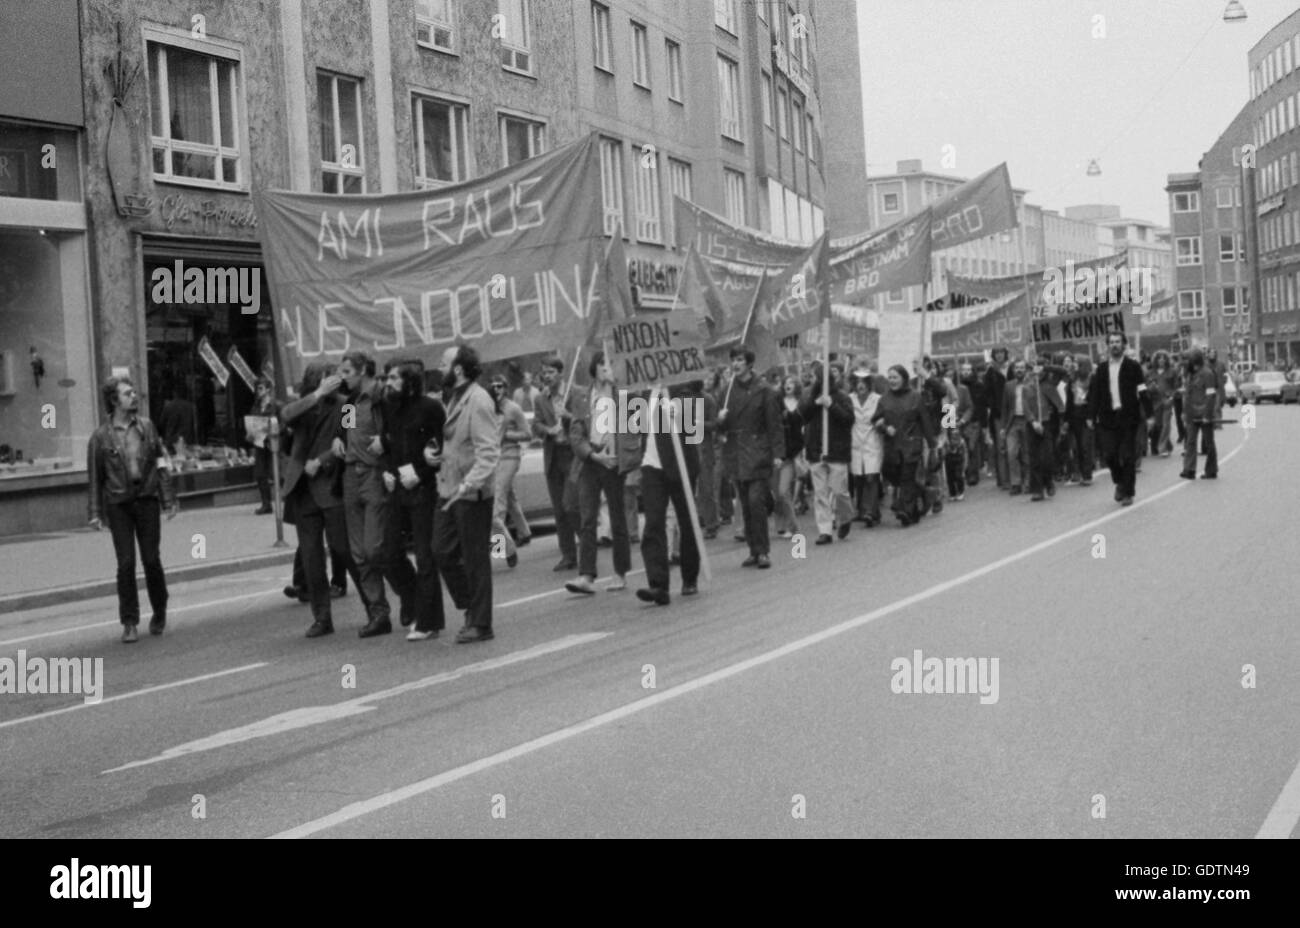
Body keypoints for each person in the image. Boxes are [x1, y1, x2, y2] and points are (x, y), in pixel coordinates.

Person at [280, 362, 368, 637]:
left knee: (343, 548)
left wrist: (321, 461)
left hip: (330, 485)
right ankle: (322, 617)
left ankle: (374, 605)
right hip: (303, 490)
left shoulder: (346, 405)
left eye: (332, 378)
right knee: (311, 557)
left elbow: (350, 440)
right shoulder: (303, 403)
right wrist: (316, 394)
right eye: (324, 378)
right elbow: (285, 415)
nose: (330, 382)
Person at [88, 376, 178, 643]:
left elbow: (161, 462)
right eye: (128, 394)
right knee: (125, 563)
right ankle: (129, 621)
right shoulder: (100, 437)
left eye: (135, 392)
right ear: (115, 400)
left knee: (151, 560)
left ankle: (159, 610)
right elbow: (95, 478)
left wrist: (168, 498)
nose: (135, 396)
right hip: (119, 504)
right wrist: (95, 512)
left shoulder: (147, 427)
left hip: (147, 499)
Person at [334, 352, 410, 638]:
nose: (343, 376)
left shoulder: (381, 397)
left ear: (363, 370)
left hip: (375, 474)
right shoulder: (350, 401)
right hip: (350, 476)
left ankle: (408, 593)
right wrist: (337, 441)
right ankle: (379, 613)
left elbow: (402, 429)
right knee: (358, 554)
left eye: (347, 371)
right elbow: (343, 431)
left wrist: (386, 441)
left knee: (374, 548)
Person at [430, 345, 501, 643]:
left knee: (475, 559)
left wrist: (470, 484)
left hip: (471, 493)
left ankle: (481, 623)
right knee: (441, 550)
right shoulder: (452, 397)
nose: (438, 367)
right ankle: (470, 605)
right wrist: (432, 454)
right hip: (447, 487)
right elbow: (453, 442)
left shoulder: (479, 399)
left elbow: (488, 452)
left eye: (443, 363)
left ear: (458, 369)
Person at [378, 359, 448, 641]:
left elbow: (441, 447)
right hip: (395, 487)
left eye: (394, 378)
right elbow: (386, 442)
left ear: (409, 381)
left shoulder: (430, 407)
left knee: (424, 555)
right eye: (387, 377)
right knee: (386, 553)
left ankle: (428, 620)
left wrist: (421, 473)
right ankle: (412, 599)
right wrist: (386, 470)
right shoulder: (387, 407)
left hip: (423, 488)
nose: (389, 383)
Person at [566, 351, 638, 594]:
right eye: (604, 364)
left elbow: (634, 423)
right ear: (594, 368)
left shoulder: (623, 395)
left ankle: (620, 572)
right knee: (586, 517)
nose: (608, 368)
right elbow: (575, 433)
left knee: (617, 517)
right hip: (591, 460)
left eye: (611, 364)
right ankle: (586, 574)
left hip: (614, 461)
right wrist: (591, 454)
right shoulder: (584, 397)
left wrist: (617, 385)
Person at [634, 382, 702, 606]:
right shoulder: (642, 391)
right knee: (653, 522)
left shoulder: (682, 383)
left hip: (679, 463)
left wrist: (681, 410)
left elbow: (695, 419)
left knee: (687, 520)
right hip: (652, 465)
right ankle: (658, 585)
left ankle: (689, 577)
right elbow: (634, 425)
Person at [718, 346, 785, 568]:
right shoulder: (727, 391)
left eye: (739, 360)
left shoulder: (765, 390)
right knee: (745, 504)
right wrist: (721, 420)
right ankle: (753, 550)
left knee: (756, 502)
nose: (735, 364)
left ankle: (764, 550)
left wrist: (778, 453)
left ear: (749, 363)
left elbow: (774, 425)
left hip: (758, 452)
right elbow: (720, 426)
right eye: (733, 360)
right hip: (736, 453)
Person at [1087, 332, 1152, 507]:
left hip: (1128, 417)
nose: (1115, 345)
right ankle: (1120, 481)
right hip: (1107, 418)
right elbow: (1094, 394)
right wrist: (1090, 416)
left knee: (1128, 456)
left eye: (1118, 342)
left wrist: (1150, 414)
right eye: (1112, 342)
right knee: (1109, 455)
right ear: (1107, 346)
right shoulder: (1101, 369)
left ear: (1123, 345)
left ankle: (1128, 492)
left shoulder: (1133, 366)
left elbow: (1142, 389)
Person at [872, 365, 937, 527]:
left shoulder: (915, 397)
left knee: (907, 477)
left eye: (895, 377)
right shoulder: (884, 399)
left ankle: (906, 512)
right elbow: (875, 420)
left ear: (904, 378)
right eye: (890, 377)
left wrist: (932, 445)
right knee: (891, 473)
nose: (892, 380)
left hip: (911, 443)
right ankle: (923, 493)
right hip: (892, 446)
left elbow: (925, 422)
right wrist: (885, 427)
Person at [800, 362, 854, 545]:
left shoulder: (842, 397)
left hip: (836, 450)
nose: (812, 381)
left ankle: (845, 517)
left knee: (839, 491)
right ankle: (825, 530)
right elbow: (803, 416)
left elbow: (848, 420)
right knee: (820, 493)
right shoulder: (810, 396)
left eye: (816, 377)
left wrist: (831, 406)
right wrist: (815, 404)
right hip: (816, 450)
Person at [533, 356, 578, 571]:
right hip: (553, 457)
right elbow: (536, 425)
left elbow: (586, 420)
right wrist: (547, 430)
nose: (547, 376)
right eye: (545, 372)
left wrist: (567, 416)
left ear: (560, 373)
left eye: (551, 372)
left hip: (571, 454)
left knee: (571, 505)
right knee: (560, 509)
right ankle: (568, 555)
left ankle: (587, 547)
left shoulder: (574, 392)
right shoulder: (540, 399)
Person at [488, 375, 533, 568]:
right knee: (510, 497)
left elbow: (528, 434)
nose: (496, 390)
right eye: (493, 386)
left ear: (506, 388)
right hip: (494, 459)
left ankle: (504, 549)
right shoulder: (489, 407)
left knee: (495, 508)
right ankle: (524, 532)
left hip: (510, 456)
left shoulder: (513, 408)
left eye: (500, 386)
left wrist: (507, 435)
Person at [1022, 358, 1065, 502]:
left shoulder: (1049, 382)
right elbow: (1025, 406)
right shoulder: (1027, 386)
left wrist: (1045, 367)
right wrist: (1033, 421)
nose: (1036, 371)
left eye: (1038, 368)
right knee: (1034, 458)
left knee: (1047, 457)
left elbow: (1062, 371)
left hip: (1048, 422)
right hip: (1033, 424)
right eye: (1033, 368)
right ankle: (1037, 489)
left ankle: (1048, 481)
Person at [849, 370, 883, 525]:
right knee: (859, 478)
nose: (860, 385)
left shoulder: (877, 399)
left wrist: (882, 423)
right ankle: (864, 510)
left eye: (863, 382)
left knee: (872, 476)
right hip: (855, 442)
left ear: (869, 384)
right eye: (857, 382)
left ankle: (870, 511)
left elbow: (883, 416)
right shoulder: (849, 399)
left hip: (872, 440)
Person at [1180, 349, 1220, 481]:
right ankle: (1189, 469)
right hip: (1192, 414)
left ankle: (1211, 470)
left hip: (1204, 413)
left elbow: (1211, 395)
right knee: (1190, 442)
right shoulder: (1190, 374)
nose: (1186, 363)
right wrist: (1185, 413)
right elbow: (1187, 395)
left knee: (1208, 443)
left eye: (1188, 360)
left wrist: (1207, 415)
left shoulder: (1207, 374)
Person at [774, 374, 804, 538]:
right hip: (778, 452)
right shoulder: (777, 404)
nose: (788, 384)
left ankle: (793, 527)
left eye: (791, 382)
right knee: (777, 492)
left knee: (783, 490)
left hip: (794, 453)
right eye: (786, 381)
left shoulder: (801, 403)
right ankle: (781, 525)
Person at [999, 359, 1031, 496]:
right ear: (1013, 370)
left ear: (1026, 369)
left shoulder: (1031, 383)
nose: (1019, 370)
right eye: (1016, 367)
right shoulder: (1008, 386)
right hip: (1013, 423)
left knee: (1027, 453)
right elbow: (1004, 407)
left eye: (1022, 367)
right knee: (1012, 454)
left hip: (1027, 421)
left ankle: (1029, 482)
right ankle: (1016, 483)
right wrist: (1002, 427)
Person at [248, 377, 278, 514]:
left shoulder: (276, 405)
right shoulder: (255, 406)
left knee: (276, 473)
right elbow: (253, 423)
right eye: (257, 388)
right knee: (260, 474)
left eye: (260, 388)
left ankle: (286, 500)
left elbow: (282, 423)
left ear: (268, 390)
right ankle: (266, 504)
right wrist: (250, 433)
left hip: (272, 443)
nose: (258, 391)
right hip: (260, 443)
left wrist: (274, 431)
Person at [984, 348, 1011, 488]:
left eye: (1002, 352)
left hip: (1012, 413)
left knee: (1013, 446)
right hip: (998, 415)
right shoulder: (990, 372)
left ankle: (1014, 478)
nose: (999, 355)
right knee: (1001, 447)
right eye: (997, 353)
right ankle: (1004, 479)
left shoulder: (1011, 368)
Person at [958, 360, 987, 487]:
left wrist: (983, 423)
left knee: (972, 447)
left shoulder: (978, 385)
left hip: (973, 421)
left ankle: (972, 474)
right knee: (958, 448)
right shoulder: (956, 386)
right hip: (956, 421)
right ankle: (961, 473)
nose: (966, 372)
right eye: (964, 370)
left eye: (968, 370)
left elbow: (981, 405)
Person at [158, 382, 197, 453]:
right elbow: (196, 426)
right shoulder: (191, 407)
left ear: (174, 393)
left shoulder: (168, 406)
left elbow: (161, 424)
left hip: (171, 442)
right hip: (188, 442)